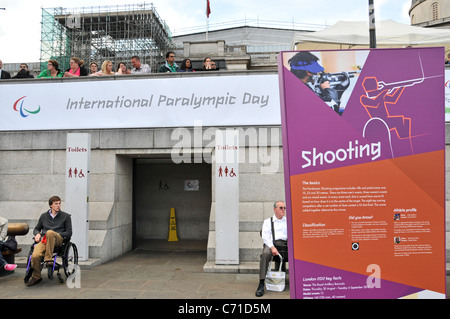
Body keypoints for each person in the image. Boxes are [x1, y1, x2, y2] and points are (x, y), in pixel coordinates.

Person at [26, 196, 72, 287]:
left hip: (58, 240)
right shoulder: (44, 216)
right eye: (56, 204)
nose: (58, 205)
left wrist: (57, 234)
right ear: (51, 205)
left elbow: (69, 232)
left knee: (50, 232)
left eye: (59, 203)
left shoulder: (66, 216)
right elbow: (36, 229)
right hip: (44, 240)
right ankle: (36, 277)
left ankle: (48, 259)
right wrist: (37, 234)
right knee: (35, 256)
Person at [255, 201, 288, 297]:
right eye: (281, 208)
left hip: (285, 245)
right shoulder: (267, 222)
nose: (283, 210)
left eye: (284, 208)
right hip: (271, 244)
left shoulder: (288, 221)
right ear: (275, 209)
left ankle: (299, 282)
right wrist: (272, 247)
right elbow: (265, 237)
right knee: (265, 254)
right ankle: (261, 283)